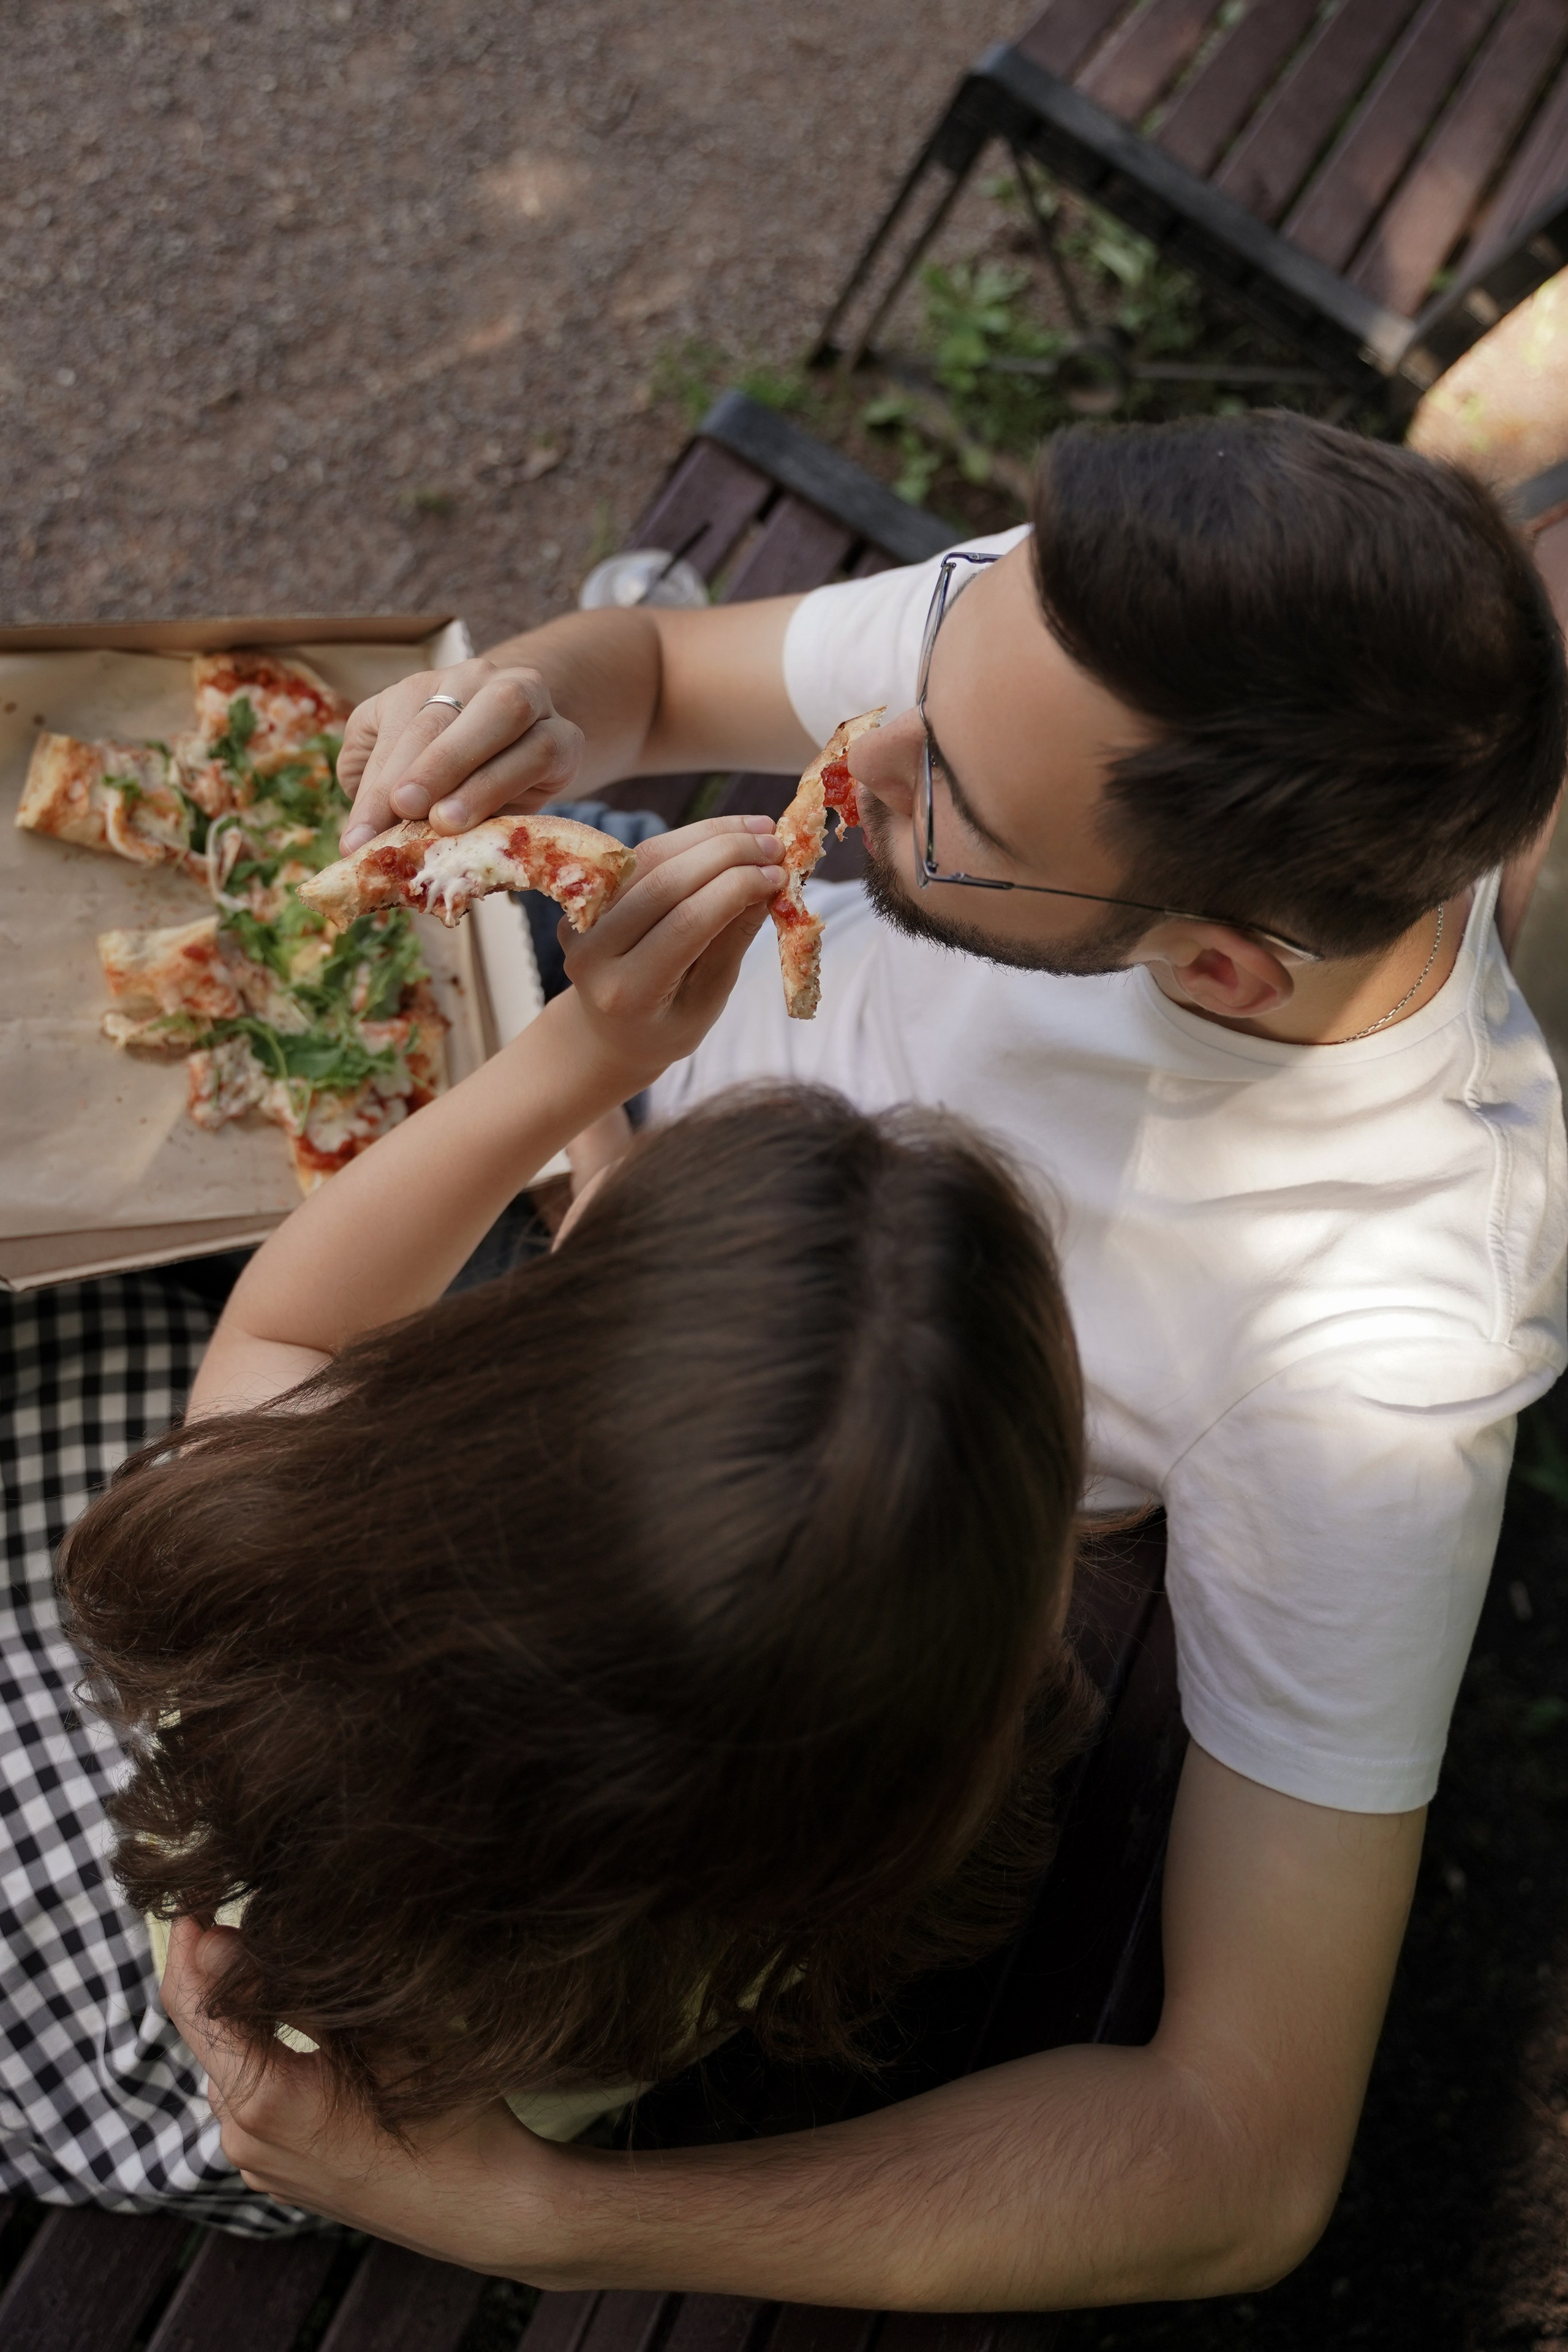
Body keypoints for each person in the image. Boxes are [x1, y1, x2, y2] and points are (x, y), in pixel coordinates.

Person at [175, 412, 1568, 2309]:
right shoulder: (1067, 647)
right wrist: (528, 703)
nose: (856, 759)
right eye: (930, 661)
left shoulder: (1374, 1362)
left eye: (950, 810)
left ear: (1226, 965)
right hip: (585, 1144)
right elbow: (657, 671)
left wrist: (549, 2223)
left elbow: (1241, 2154)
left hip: (682, 1549)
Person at [3, 821, 1096, 2220]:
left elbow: (287, 1321)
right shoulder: (886, 1757)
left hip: (151, 2013)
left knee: (81, 1344)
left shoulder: (281, 1597)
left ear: (498, 1430)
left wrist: (584, 1058)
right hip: (418, 2055)